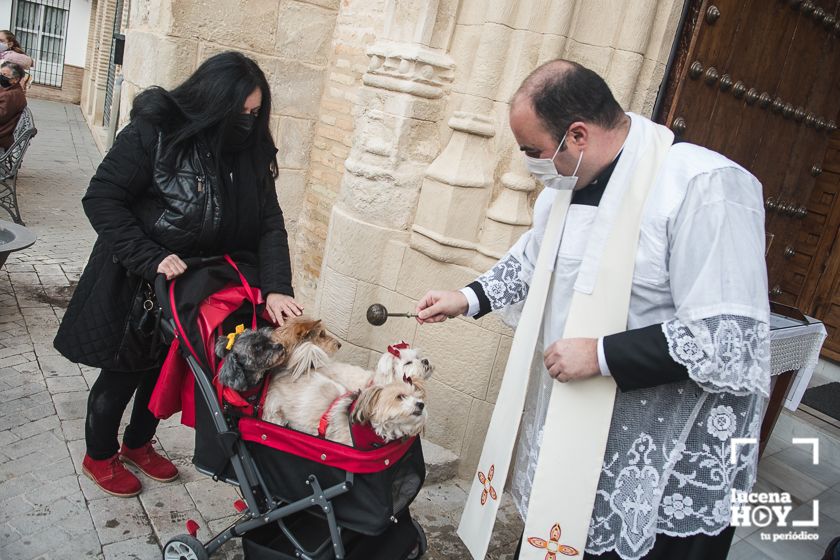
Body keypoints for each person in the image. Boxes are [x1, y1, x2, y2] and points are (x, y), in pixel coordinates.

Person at [416, 60, 769, 560]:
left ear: (576, 135)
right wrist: (467, 298)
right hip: (576, 421)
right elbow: (534, 260)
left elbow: (725, 337)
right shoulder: (565, 188)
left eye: (533, 151)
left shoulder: (701, 185)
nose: (530, 166)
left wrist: (602, 355)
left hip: (653, 449)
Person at [54, 51, 303, 498]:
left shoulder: (250, 152)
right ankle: (99, 454)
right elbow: (102, 198)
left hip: (196, 289)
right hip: (137, 281)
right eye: (240, 113)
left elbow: (269, 224)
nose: (247, 123)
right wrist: (149, 255)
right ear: (211, 102)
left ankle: (137, 444)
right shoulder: (155, 132)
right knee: (122, 373)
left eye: (255, 113)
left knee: (165, 371)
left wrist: (276, 288)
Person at [0, 61, 27, 150]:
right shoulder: (13, 90)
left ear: (15, 79)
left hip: (2, 136)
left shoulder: (11, 95)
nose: (1, 77)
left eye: (4, 75)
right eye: (0, 73)